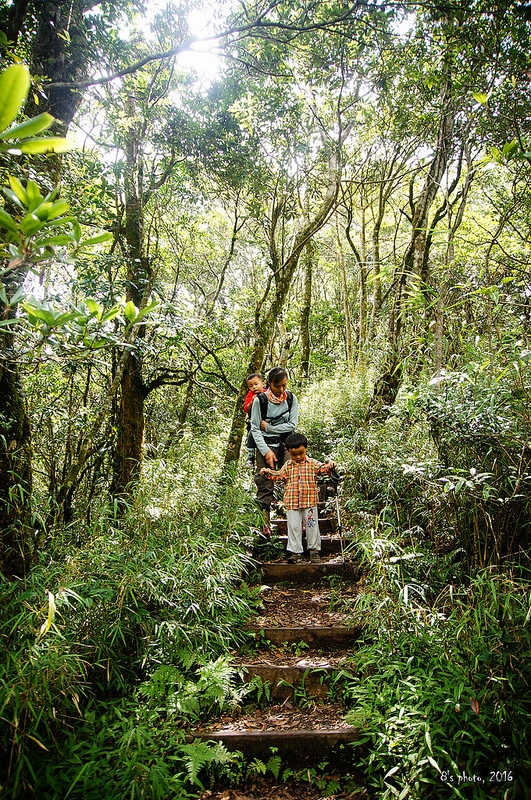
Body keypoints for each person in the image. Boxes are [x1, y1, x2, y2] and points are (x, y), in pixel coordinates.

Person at [260, 432, 336, 563]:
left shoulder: (312, 463)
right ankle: (295, 553)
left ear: (306, 448)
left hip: (309, 502)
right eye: (294, 454)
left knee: (312, 526)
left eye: (301, 453)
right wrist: (267, 473)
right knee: (294, 527)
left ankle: (314, 551)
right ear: (289, 452)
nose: (298, 457)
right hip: (292, 502)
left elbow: (323, 469)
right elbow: (278, 476)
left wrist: (330, 465)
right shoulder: (288, 466)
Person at [251, 366, 298, 538]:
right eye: (278, 386)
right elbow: (255, 428)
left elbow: (292, 425)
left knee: (292, 481)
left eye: (285, 385)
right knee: (264, 484)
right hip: (265, 444)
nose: (282, 390)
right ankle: (265, 526)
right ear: (269, 384)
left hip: (286, 444)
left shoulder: (291, 399)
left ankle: (295, 523)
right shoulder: (260, 400)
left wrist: (270, 427)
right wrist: (266, 451)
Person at [243, 372, 266, 468]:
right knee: (251, 435)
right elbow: (245, 408)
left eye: (256, 384)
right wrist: (252, 402)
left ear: (262, 383)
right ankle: (250, 456)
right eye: (251, 386)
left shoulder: (267, 392)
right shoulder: (250, 395)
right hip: (255, 422)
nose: (254, 387)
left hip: (266, 422)